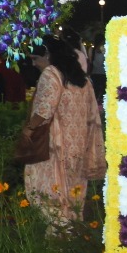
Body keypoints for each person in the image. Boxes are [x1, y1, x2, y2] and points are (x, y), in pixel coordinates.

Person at [24, 35, 108, 229]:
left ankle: (58, 238)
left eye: (35, 58)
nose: (34, 64)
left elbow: (45, 110)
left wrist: (29, 129)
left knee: (50, 193)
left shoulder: (51, 74)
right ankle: (73, 237)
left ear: (47, 54)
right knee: (73, 194)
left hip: (56, 146)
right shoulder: (83, 79)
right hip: (79, 146)